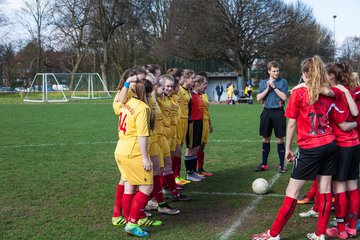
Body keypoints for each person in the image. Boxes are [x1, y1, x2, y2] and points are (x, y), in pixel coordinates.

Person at [252, 56, 349, 240]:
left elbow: (291, 124)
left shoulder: (298, 92)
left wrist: (288, 147)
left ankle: (273, 234)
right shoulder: (331, 92)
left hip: (310, 148)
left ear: (305, 73)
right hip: (330, 144)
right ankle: (320, 234)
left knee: (292, 192)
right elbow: (340, 110)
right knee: (326, 189)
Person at [113, 69, 155, 237]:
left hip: (121, 149)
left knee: (129, 186)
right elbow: (142, 135)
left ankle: (130, 218)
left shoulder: (126, 103)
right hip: (134, 152)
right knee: (146, 187)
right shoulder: (143, 108)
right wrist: (146, 158)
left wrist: (127, 82)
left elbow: (121, 98)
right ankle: (132, 223)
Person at [325, 62, 359, 239]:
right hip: (354, 144)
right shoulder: (348, 90)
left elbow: (344, 125)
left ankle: (341, 230)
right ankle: (352, 227)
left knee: (339, 186)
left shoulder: (336, 92)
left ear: (331, 76)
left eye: (325, 74)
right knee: (352, 185)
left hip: (342, 145)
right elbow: (355, 114)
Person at [255, 61, 288, 173]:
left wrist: (274, 87)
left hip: (278, 113)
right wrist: (267, 89)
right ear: (269, 71)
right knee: (265, 138)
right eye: (274, 71)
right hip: (266, 112)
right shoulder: (263, 83)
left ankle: (282, 165)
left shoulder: (283, 82)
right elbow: (258, 98)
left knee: (279, 139)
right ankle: (264, 164)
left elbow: (284, 97)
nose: (276, 73)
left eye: (278, 71)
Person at [185, 75, 207, 181]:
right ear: (197, 84)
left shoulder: (198, 95)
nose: (205, 87)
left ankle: (193, 172)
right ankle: (189, 173)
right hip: (192, 123)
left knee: (196, 147)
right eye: (203, 84)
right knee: (191, 148)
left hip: (199, 122)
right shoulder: (190, 95)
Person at [197, 72, 214, 176]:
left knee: (202, 146)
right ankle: (193, 171)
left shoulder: (205, 94)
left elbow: (207, 110)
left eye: (206, 83)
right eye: (204, 83)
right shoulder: (195, 95)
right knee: (196, 147)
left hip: (206, 123)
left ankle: (200, 169)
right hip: (199, 123)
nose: (206, 85)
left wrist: (210, 123)